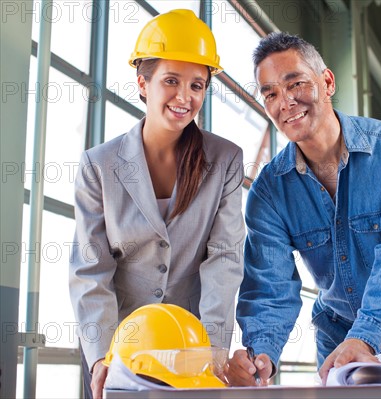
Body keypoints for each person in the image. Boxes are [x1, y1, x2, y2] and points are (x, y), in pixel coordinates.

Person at [226, 32, 381, 386]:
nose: (285, 102)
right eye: (270, 93)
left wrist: (365, 336)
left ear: (327, 81)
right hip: (337, 329)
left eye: (295, 83)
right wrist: (261, 355)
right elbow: (270, 285)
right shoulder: (269, 191)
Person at [69, 10, 244, 398]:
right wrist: (100, 356)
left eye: (197, 85)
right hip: (120, 350)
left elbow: (225, 258)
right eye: (171, 81)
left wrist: (214, 348)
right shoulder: (100, 166)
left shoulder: (226, 160)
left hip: (190, 349)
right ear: (142, 83)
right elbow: (90, 268)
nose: (185, 97)